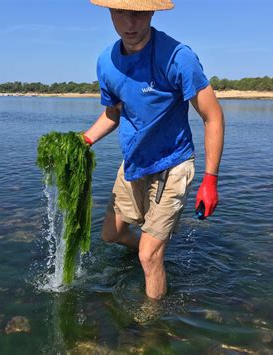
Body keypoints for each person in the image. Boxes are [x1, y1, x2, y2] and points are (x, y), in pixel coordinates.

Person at [83, 0, 225, 300]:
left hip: (172, 163)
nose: (129, 23)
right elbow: (114, 113)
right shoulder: (106, 61)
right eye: (121, 13)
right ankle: (152, 246)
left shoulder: (177, 57)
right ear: (110, 13)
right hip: (134, 160)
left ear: (151, 12)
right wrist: (83, 141)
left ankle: (152, 330)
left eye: (138, 13)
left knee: (149, 256)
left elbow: (212, 116)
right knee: (111, 234)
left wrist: (210, 180)